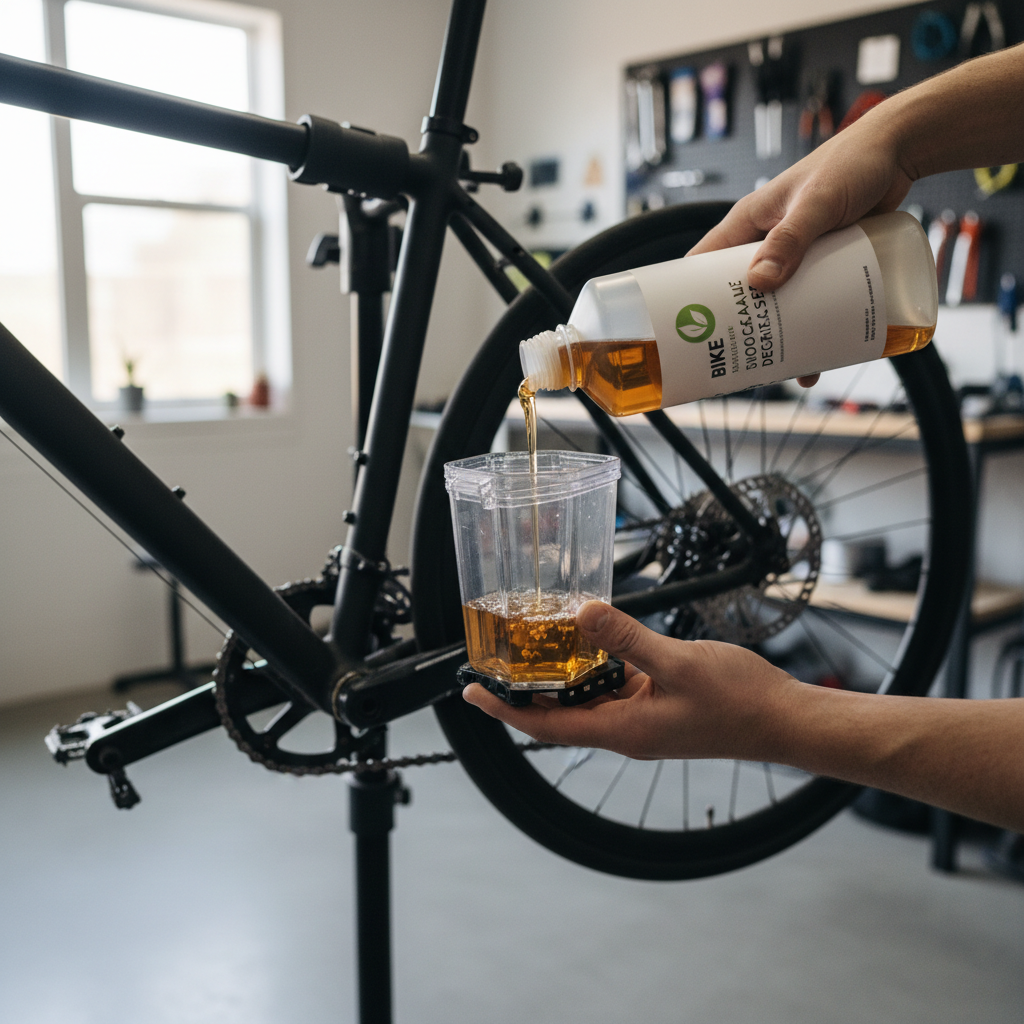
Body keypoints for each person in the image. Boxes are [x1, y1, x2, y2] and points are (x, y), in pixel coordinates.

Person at [464, 43, 1024, 835]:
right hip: (861, 266)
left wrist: (780, 720)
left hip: (873, 286)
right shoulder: (603, 357)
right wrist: (887, 137)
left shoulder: (600, 341)